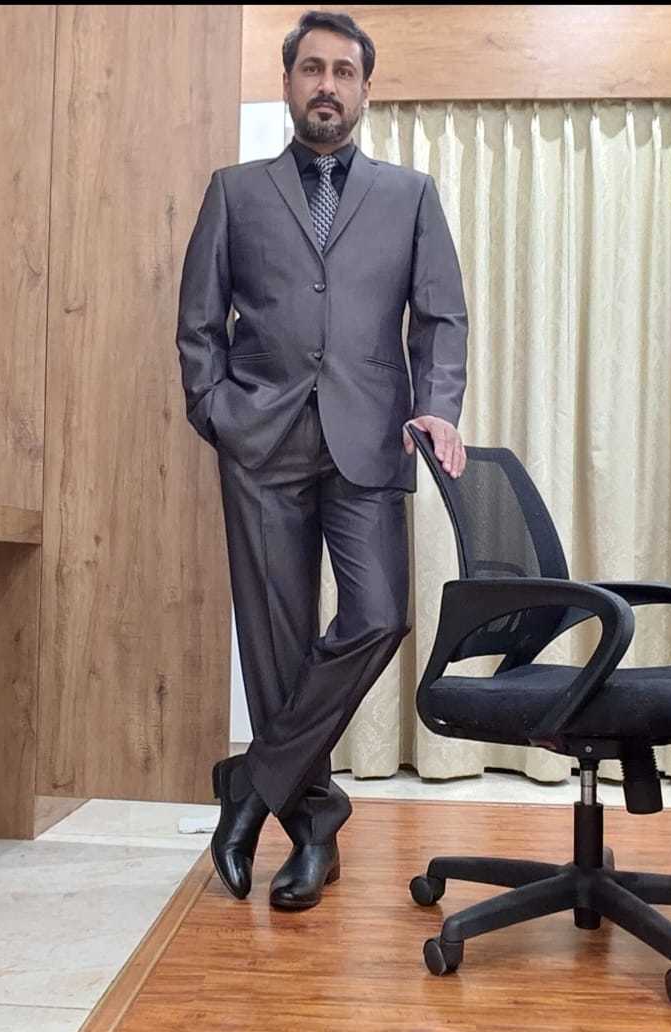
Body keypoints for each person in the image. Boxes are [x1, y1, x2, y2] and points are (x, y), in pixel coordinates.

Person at [176, 9, 468, 910]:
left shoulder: (409, 196)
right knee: (275, 642)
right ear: (289, 82)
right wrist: (217, 412)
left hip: (370, 437)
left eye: (345, 71)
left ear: (366, 90)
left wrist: (437, 406)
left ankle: (250, 788)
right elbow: (198, 323)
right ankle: (312, 827)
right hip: (259, 441)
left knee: (378, 615)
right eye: (312, 69)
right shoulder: (235, 191)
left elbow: (441, 317)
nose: (328, 85)